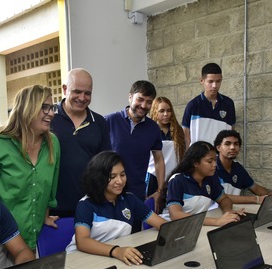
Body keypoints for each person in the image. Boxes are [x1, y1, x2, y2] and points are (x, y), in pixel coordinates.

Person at [0, 85, 60, 251]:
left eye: (52, 107)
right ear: (27, 108)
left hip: (33, 238)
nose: (52, 113)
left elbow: (50, 188)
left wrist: (45, 216)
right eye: (44, 107)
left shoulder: (52, 143)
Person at [66, 151, 167, 266]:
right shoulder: (86, 204)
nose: (119, 181)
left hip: (111, 260)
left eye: (122, 175)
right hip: (81, 260)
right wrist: (117, 251)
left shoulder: (129, 199)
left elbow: (162, 224)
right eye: (112, 177)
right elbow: (82, 241)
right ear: (99, 178)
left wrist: (180, 231)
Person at [50, 68, 111, 217]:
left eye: (87, 93)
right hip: (52, 209)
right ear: (65, 89)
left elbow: (105, 165)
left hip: (90, 206)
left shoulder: (100, 122)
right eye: (77, 92)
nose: (82, 98)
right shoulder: (48, 118)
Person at [105, 80, 165, 219]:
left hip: (137, 195)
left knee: (136, 236)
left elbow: (159, 160)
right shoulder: (109, 121)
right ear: (130, 97)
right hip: (108, 194)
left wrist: (160, 190)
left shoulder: (153, 128)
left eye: (149, 102)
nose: (144, 105)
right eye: (140, 99)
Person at [165, 141, 244, 226]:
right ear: (195, 163)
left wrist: (228, 212)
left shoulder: (210, 178)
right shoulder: (177, 180)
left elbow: (224, 199)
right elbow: (175, 215)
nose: (214, 165)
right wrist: (216, 221)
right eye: (210, 161)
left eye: (215, 160)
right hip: (175, 226)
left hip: (198, 224)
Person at [214, 130, 272, 204]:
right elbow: (220, 197)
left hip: (233, 210)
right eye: (227, 144)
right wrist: (256, 199)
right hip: (212, 213)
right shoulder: (211, 168)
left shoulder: (238, 168)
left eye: (236, 144)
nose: (232, 147)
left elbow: (255, 188)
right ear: (218, 147)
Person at [182, 63, 236, 148]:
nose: (214, 86)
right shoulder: (193, 105)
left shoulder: (228, 104)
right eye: (210, 81)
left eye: (218, 81)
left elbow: (231, 133)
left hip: (221, 158)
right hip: (198, 158)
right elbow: (185, 136)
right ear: (202, 81)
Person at [146, 96, 186, 199]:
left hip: (173, 176)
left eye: (168, 111)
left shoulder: (178, 131)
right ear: (155, 112)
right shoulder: (149, 130)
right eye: (161, 111)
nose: (166, 114)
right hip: (153, 176)